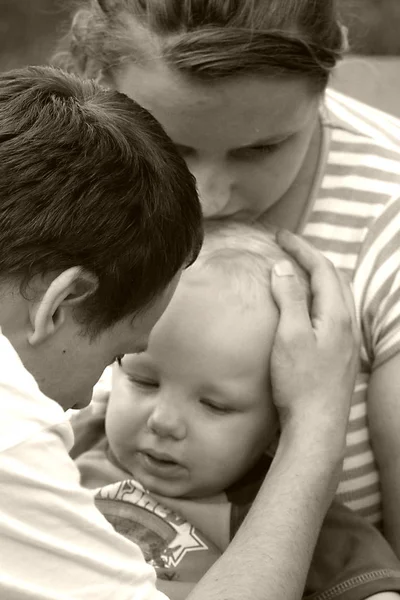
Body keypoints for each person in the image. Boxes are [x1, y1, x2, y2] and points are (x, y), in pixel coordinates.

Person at [0, 65, 359, 600]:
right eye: (121, 361)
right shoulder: (15, 438)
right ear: (60, 303)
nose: (82, 402)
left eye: (215, 404)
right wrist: (316, 429)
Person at [54, 0, 400, 550]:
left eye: (262, 148)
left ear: (329, 68)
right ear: (99, 76)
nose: (208, 199)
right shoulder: (42, 180)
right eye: (167, 142)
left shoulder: (388, 226)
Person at [71, 221, 400, 600]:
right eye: (143, 381)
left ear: (277, 425)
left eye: (214, 405)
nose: (163, 421)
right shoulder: (74, 443)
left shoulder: (286, 509)